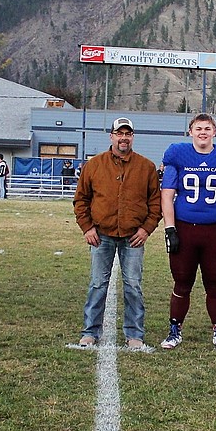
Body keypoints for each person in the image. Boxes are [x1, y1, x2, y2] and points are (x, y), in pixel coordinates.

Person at [73, 117, 161, 350]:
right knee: (97, 284)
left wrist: (146, 229)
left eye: (128, 134)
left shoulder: (146, 167)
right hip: (101, 235)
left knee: (133, 285)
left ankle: (134, 334)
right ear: (111, 136)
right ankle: (90, 332)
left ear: (133, 137)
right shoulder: (94, 165)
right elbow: (81, 199)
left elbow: (156, 203)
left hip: (133, 237)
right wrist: (87, 227)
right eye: (119, 133)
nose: (124, 138)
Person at [159, 113, 216, 351]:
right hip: (185, 229)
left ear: (214, 131)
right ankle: (175, 329)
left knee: (215, 283)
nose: (203, 132)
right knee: (181, 282)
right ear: (191, 132)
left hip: (215, 230)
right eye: (198, 128)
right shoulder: (178, 154)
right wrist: (170, 229)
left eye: (207, 128)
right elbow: (167, 195)